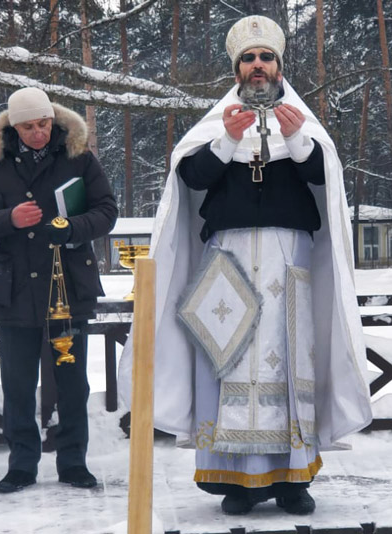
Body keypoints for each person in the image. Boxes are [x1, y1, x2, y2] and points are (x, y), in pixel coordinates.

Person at [118, 15, 372, 516]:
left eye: (266, 58)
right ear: (237, 69)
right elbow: (189, 178)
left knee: (288, 363)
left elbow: (328, 180)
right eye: (249, 59)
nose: (258, 66)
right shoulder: (217, 123)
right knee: (225, 357)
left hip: (288, 262)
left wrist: (298, 142)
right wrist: (227, 141)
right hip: (225, 264)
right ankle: (236, 483)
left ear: (279, 67)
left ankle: (292, 481)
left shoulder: (304, 123)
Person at [0, 87, 118, 494]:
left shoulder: (79, 156)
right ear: (14, 127)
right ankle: (22, 465)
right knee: (17, 381)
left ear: (53, 120)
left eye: (44, 123)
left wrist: (74, 228)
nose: (38, 133)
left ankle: (73, 463)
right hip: (16, 290)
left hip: (67, 288)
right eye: (28, 126)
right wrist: (9, 218)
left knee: (72, 381)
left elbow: (106, 211)